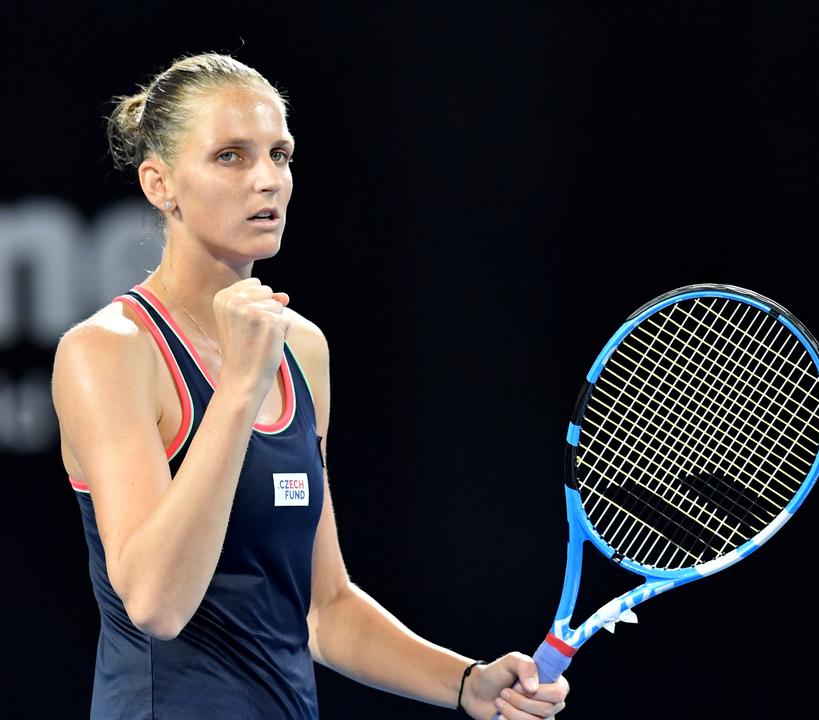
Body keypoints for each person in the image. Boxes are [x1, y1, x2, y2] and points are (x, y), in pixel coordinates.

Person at [51, 52, 569, 719]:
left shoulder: (301, 348)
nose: (267, 179)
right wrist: (238, 389)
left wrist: (466, 681)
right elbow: (155, 603)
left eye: (280, 154)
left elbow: (323, 607)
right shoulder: (107, 352)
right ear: (161, 185)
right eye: (232, 157)